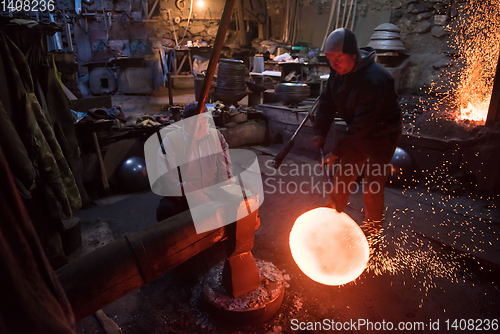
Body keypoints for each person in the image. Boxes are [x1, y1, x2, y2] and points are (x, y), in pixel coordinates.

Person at [313, 28, 403, 240]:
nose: (333, 64)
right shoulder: (339, 70)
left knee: (372, 187)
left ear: (353, 55)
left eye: (338, 59)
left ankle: (373, 233)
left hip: (382, 134)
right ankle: (330, 222)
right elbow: (326, 102)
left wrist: (335, 152)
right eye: (330, 59)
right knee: (342, 178)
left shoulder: (375, 79)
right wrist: (320, 131)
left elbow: (362, 124)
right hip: (357, 128)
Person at [155, 101, 235, 222]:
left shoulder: (217, 137)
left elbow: (226, 171)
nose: (201, 127)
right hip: (185, 197)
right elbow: (167, 179)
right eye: (195, 123)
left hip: (213, 191)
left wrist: (223, 193)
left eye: (204, 122)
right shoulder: (171, 141)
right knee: (166, 210)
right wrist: (193, 195)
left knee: (242, 202)